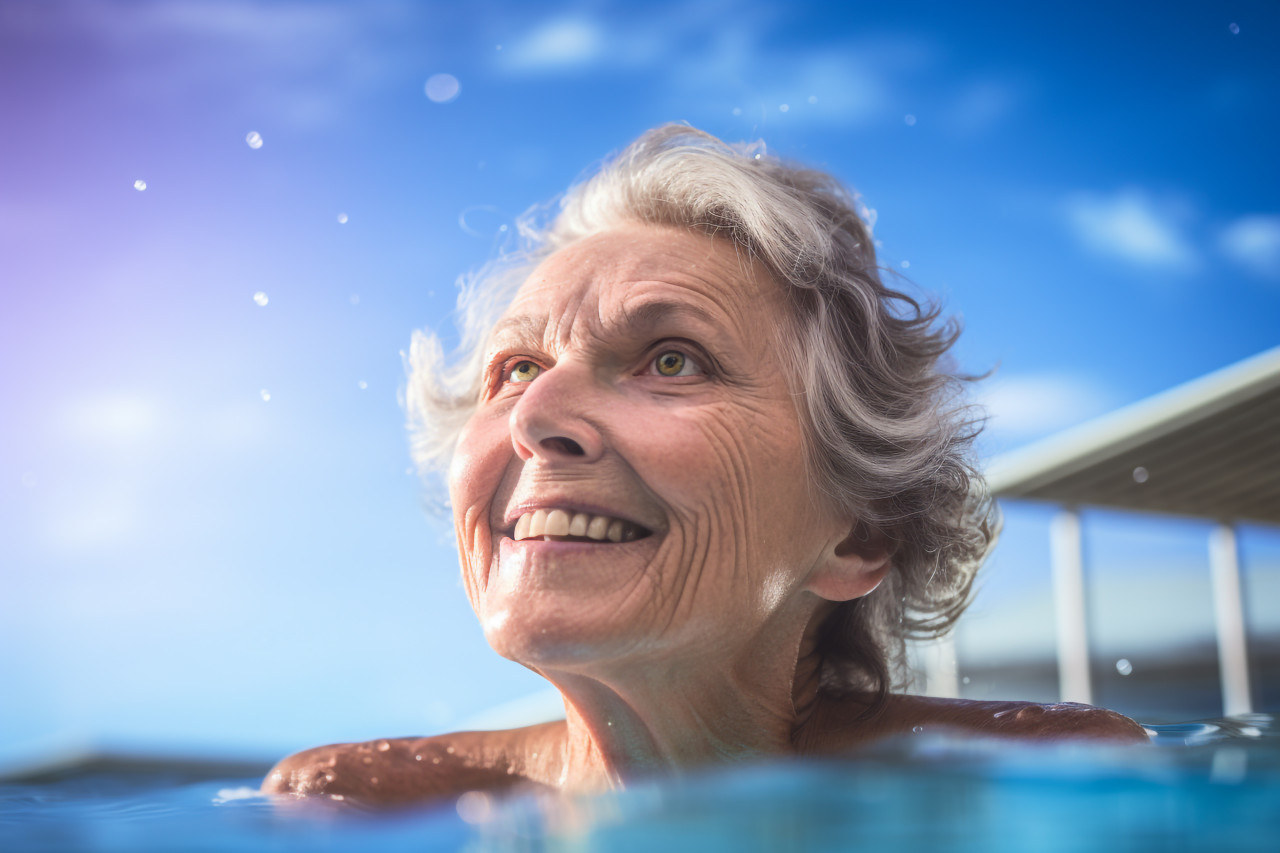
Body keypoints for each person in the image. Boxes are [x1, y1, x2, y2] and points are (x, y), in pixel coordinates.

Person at [262, 124, 1146, 806]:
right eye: (518, 368)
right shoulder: (353, 804)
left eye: (672, 360)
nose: (533, 417)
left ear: (859, 535)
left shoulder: (1045, 786)